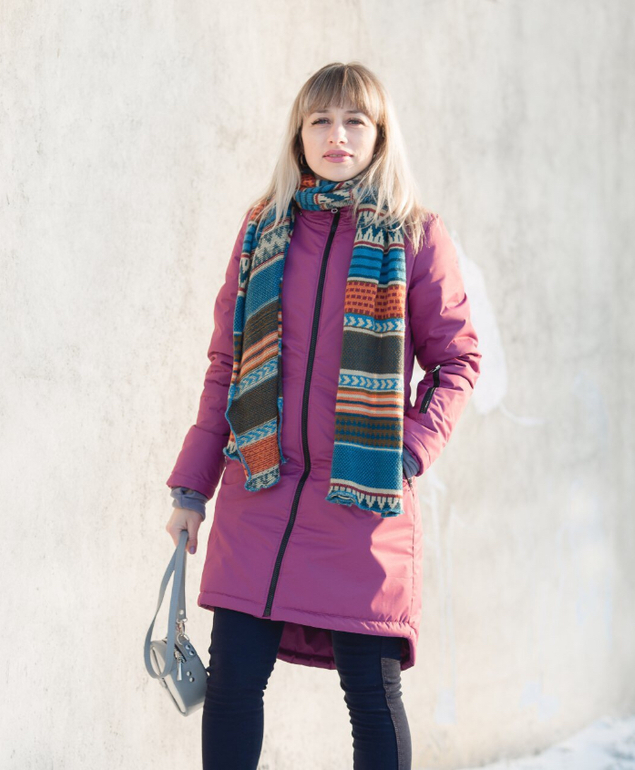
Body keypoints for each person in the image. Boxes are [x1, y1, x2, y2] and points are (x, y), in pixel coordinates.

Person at [165, 61, 481, 769]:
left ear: (379, 135)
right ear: (299, 135)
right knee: (233, 686)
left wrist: (406, 453)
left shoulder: (415, 235)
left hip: (361, 503)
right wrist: (192, 488)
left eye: (354, 121)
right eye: (321, 121)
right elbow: (227, 366)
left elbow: (457, 362)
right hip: (260, 493)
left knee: (371, 696)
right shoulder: (261, 230)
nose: (337, 135)